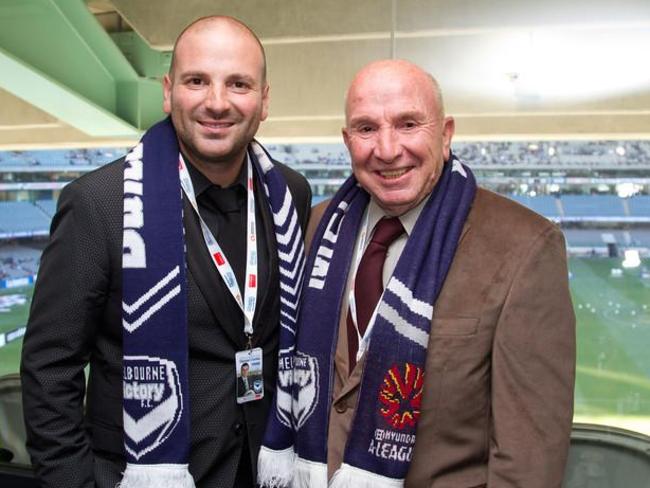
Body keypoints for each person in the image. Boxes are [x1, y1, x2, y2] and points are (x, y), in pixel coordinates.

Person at [21, 16, 310, 488]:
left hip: (264, 470)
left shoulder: (289, 193)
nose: (217, 102)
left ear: (264, 100)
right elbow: (50, 370)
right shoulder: (99, 203)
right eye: (197, 81)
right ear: (168, 90)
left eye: (238, 83)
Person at [258, 59, 575, 488]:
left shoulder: (524, 247)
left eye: (408, 124)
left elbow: (528, 466)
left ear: (445, 135)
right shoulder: (315, 227)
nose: (387, 150)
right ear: (347, 141)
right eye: (367, 129)